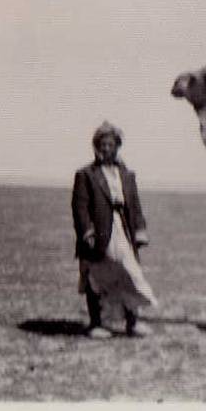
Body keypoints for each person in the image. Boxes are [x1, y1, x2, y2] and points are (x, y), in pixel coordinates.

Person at [72, 121, 157, 338]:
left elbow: (135, 205)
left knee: (129, 273)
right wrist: (87, 232)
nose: (106, 149)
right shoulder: (86, 175)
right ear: (96, 146)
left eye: (110, 144)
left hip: (123, 232)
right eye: (102, 144)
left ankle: (133, 322)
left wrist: (140, 230)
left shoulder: (127, 175)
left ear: (117, 146)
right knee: (95, 276)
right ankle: (96, 324)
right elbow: (80, 207)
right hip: (98, 235)